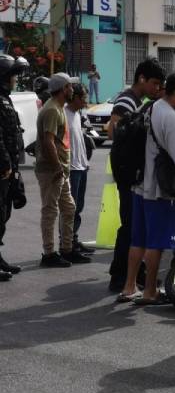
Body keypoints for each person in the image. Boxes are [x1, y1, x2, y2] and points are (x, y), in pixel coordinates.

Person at [118, 71, 175, 305]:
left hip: (140, 184)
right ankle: (150, 290)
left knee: (138, 240)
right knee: (157, 243)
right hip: (159, 189)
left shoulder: (151, 107)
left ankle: (129, 286)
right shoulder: (171, 118)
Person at [107, 58, 165, 293]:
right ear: (142, 79)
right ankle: (120, 276)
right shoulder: (126, 101)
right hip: (128, 173)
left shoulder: (137, 102)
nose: (157, 89)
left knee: (135, 225)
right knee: (130, 225)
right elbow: (115, 132)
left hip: (132, 173)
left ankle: (133, 275)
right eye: (154, 83)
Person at [34, 73, 90, 267]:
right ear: (63, 88)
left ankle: (67, 249)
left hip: (61, 170)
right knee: (50, 211)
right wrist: (58, 167)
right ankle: (49, 254)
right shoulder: (51, 110)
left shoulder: (58, 108)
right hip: (52, 170)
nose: (72, 90)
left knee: (69, 208)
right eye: (70, 86)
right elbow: (48, 142)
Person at [0, 54, 29, 280]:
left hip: (8, 168)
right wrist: (5, 163)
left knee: (4, 215)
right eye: (13, 76)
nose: (15, 80)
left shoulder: (5, 98)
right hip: (2, 168)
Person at [65, 83, 94, 254]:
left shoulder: (77, 115)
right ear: (74, 97)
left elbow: (79, 141)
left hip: (81, 166)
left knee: (79, 207)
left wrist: (85, 162)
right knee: (70, 208)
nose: (85, 102)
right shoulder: (64, 114)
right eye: (83, 98)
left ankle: (73, 239)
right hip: (71, 168)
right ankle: (67, 243)